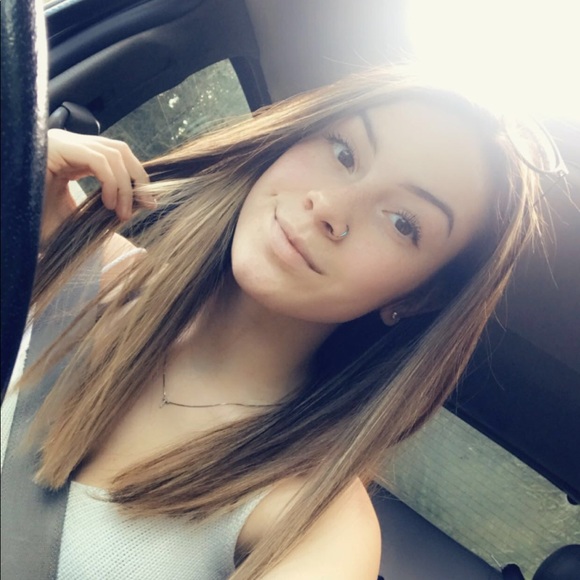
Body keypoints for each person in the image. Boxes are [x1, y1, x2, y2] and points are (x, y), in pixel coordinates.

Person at [2, 66, 549, 579]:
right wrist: (14, 180)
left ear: (418, 296)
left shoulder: (317, 522)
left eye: (403, 222)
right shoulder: (78, 261)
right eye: (343, 151)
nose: (329, 207)